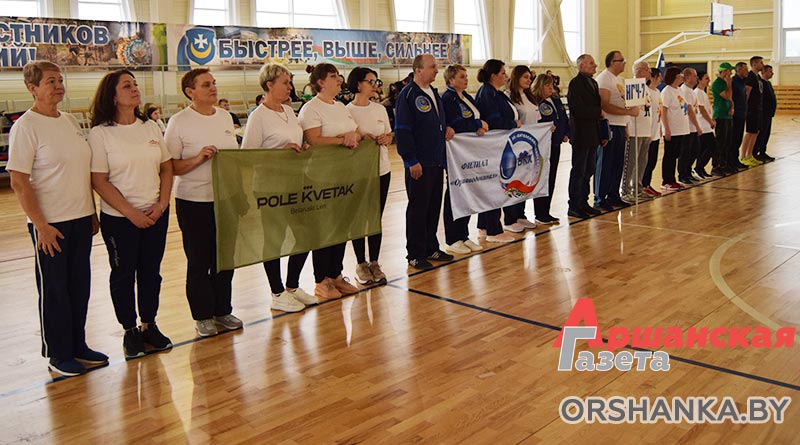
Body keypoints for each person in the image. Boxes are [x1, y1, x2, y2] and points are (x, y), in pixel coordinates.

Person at [7, 60, 107, 377]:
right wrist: (41, 225)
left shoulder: (69, 121)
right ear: (32, 88)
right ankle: (58, 354)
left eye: (60, 80)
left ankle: (78, 345)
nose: (58, 86)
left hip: (80, 219)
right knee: (55, 291)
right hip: (51, 224)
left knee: (80, 286)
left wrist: (91, 212)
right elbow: (19, 181)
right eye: (50, 81)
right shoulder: (26, 126)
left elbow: (79, 171)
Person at [88, 69, 173, 359]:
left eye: (135, 84)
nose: (135, 89)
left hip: (156, 214)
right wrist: (131, 213)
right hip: (120, 220)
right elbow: (99, 180)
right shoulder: (100, 133)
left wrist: (161, 205)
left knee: (151, 273)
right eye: (127, 86)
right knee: (123, 275)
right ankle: (130, 330)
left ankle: (149, 325)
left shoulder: (150, 127)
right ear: (112, 96)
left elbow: (166, 168)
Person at [165, 68, 246, 337]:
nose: (213, 88)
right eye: (206, 85)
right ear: (190, 92)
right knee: (199, 261)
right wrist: (198, 158)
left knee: (225, 259)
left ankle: (223, 309)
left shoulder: (224, 117)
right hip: (194, 202)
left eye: (214, 83)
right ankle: (202, 315)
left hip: (226, 201)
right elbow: (170, 166)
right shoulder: (179, 122)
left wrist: (239, 193)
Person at [241, 63, 318, 312]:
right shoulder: (258, 116)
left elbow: (293, 141)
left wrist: (301, 149)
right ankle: (276, 293)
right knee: (274, 239)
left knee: (307, 235)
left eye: (290, 82)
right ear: (269, 85)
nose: (290, 87)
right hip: (270, 187)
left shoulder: (288, 111)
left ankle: (292, 286)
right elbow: (248, 156)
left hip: (295, 182)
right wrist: (279, 152)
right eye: (285, 82)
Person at [298, 63, 363, 296]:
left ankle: (336, 274)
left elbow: (355, 132)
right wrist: (341, 140)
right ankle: (321, 279)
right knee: (324, 228)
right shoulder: (311, 108)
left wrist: (352, 136)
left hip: (345, 174)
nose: (339, 79)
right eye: (334, 76)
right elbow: (313, 139)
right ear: (321, 82)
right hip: (322, 177)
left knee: (341, 227)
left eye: (338, 75)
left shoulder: (341, 106)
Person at [395, 54, 455, 269]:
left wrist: (446, 127)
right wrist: (411, 160)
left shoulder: (434, 93)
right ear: (419, 70)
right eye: (432, 67)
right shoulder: (408, 95)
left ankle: (431, 247)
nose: (436, 70)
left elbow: (437, 122)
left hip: (436, 161)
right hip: (419, 163)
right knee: (418, 209)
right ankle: (415, 253)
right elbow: (402, 130)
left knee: (432, 207)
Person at [345, 67, 393, 283]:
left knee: (375, 218)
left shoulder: (380, 109)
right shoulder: (347, 111)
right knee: (358, 218)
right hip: (357, 174)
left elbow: (389, 134)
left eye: (376, 81)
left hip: (382, 170)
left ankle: (375, 262)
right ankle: (361, 263)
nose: (375, 85)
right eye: (370, 81)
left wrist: (387, 138)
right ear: (358, 84)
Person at [474, 58, 527, 242]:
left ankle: (484, 226)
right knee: (493, 187)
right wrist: (513, 123)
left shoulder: (497, 93)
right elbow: (494, 120)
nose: (506, 76)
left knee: (496, 185)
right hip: (493, 145)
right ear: (493, 75)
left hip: (502, 144)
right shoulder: (487, 93)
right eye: (503, 73)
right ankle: (493, 230)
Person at [440, 64, 488, 255]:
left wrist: (480, 125)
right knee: (455, 192)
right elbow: (457, 123)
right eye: (461, 77)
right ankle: (452, 238)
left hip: (470, 152)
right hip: (455, 154)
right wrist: (477, 124)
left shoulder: (466, 97)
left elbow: (478, 117)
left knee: (467, 192)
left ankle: (463, 234)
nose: (466, 79)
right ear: (451, 79)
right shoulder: (448, 98)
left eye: (466, 76)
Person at [595, 51, 639, 211]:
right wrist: (628, 112)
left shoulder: (619, 80)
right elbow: (604, 105)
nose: (624, 63)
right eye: (622, 60)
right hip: (609, 126)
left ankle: (613, 194)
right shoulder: (604, 79)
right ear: (613, 62)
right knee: (606, 163)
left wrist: (626, 125)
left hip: (620, 126)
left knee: (618, 163)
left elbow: (622, 103)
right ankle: (600, 198)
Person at [566, 54, 605, 219]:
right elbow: (577, 109)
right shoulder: (576, 84)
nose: (595, 65)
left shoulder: (593, 83)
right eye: (591, 63)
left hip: (593, 134)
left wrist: (601, 134)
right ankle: (574, 205)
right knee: (579, 171)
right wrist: (598, 112)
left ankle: (583, 202)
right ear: (581, 66)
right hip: (581, 134)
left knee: (589, 170)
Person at [527, 72, 564, 223]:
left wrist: (564, 133)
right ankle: (540, 212)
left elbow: (562, 118)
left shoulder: (555, 100)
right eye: (546, 85)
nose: (550, 88)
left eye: (551, 85)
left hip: (555, 143)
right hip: (543, 145)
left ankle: (546, 211)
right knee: (542, 178)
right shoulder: (537, 102)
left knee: (552, 177)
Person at [620, 61, 654, 203]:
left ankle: (638, 188)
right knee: (631, 162)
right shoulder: (633, 86)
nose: (649, 72)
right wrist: (627, 127)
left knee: (642, 162)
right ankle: (625, 190)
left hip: (645, 130)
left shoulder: (646, 88)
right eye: (647, 69)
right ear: (639, 71)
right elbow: (630, 109)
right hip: (635, 130)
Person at [660, 66, 690, 191]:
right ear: (674, 77)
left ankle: (673, 180)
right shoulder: (667, 91)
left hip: (681, 129)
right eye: (680, 76)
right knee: (670, 156)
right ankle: (666, 181)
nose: (682, 78)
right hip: (672, 130)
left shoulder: (679, 90)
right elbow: (663, 110)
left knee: (676, 155)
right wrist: (666, 128)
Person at [677, 68, 703, 185]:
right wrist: (697, 126)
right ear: (687, 77)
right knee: (685, 152)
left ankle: (688, 172)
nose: (696, 78)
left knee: (694, 151)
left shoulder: (691, 90)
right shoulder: (684, 91)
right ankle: (682, 174)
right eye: (694, 75)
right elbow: (689, 110)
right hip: (687, 127)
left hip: (693, 127)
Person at [641, 68, 663, 197]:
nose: (661, 79)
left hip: (656, 131)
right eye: (659, 76)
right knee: (646, 161)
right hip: (648, 132)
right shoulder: (647, 91)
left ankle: (647, 184)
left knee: (653, 161)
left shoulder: (658, 92)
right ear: (653, 77)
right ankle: (642, 185)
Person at [710, 62, 735, 176]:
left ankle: (724, 164)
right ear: (724, 71)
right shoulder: (717, 83)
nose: (731, 73)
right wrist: (729, 84)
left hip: (727, 115)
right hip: (720, 115)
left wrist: (732, 107)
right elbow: (728, 96)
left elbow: (731, 99)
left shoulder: (725, 83)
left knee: (727, 141)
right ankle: (716, 166)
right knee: (720, 141)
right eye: (729, 71)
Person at [740, 56, 765, 167]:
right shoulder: (750, 76)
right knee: (750, 132)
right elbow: (747, 93)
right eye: (761, 63)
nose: (762, 65)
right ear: (754, 64)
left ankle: (749, 155)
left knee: (755, 132)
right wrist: (746, 108)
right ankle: (743, 156)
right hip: (751, 109)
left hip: (758, 109)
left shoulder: (757, 77)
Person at [693, 71, 717, 178]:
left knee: (703, 148)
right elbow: (701, 109)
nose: (709, 81)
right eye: (706, 78)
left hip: (706, 125)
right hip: (703, 124)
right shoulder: (697, 92)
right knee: (712, 146)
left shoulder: (703, 92)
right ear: (699, 80)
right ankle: (698, 168)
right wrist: (710, 121)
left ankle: (700, 168)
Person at [754, 64, 776, 162]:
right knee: (761, 133)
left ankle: (763, 152)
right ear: (765, 72)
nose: (772, 73)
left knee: (766, 133)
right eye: (770, 71)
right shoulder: (761, 83)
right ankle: (755, 152)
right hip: (763, 113)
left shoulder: (768, 83)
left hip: (769, 113)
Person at [730, 62, 749, 170]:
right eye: (745, 69)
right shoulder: (734, 82)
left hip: (742, 113)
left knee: (738, 139)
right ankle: (731, 161)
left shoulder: (743, 82)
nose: (747, 71)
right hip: (735, 115)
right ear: (739, 70)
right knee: (734, 139)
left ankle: (735, 160)